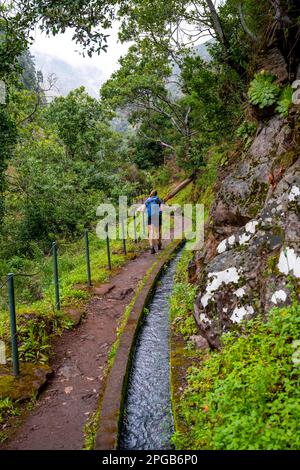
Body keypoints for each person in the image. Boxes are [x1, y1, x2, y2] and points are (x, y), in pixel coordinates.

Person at [145, 190, 163, 254]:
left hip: (149, 216)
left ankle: (151, 247)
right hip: (157, 216)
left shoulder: (147, 200)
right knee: (158, 231)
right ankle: (159, 244)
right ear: (156, 194)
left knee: (150, 232)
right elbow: (161, 209)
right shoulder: (158, 200)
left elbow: (145, 208)